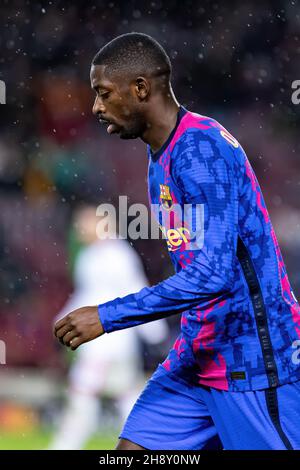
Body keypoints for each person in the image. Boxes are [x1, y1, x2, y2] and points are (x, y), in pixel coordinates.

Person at [54, 33, 300, 450]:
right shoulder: (160, 159)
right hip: (198, 358)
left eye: (103, 93)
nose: (95, 107)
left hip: (253, 363)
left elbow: (213, 275)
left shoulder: (201, 150)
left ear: (141, 89)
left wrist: (108, 316)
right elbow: (194, 268)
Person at [50, 204, 168, 449]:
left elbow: (135, 290)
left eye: (84, 222)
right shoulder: (91, 254)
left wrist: (156, 331)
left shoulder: (116, 254)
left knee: (82, 393)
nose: (79, 228)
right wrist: (62, 320)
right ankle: (151, 441)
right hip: (107, 340)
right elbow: (87, 295)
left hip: (107, 341)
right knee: (127, 395)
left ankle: (66, 445)